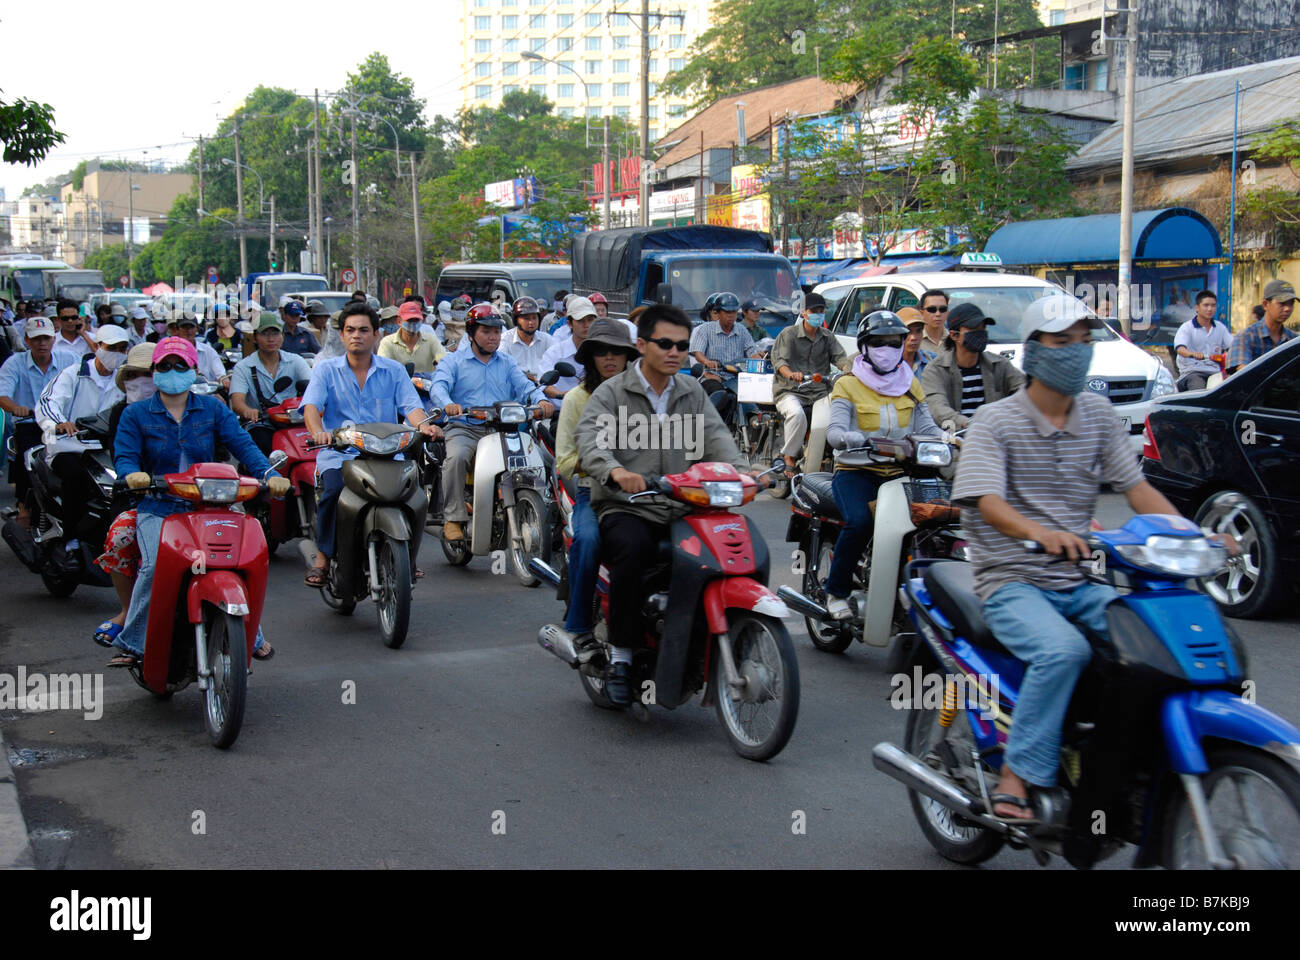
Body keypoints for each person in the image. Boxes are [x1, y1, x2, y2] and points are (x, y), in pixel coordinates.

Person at [949, 293, 1228, 822]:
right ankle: (1017, 775)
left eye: (1083, 341)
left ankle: (1122, 762)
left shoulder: (1097, 414)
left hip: (1078, 579)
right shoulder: (996, 420)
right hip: (1011, 579)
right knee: (1063, 653)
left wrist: (1194, 536)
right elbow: (985, 501)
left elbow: (1136, 489)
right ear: (1032, 351)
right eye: (1061, 342)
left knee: (1155, 646)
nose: (1076, 351)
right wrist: (1041, 533)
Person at [574, 304, 757, 704]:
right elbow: (589, 443)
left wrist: (744, 474)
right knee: (634, 550)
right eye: (665, 344)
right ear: (641, 345)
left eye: (682, 346)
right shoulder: (612, 392)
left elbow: (718, 438)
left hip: (684, 506)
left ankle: (700, 650)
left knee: (729, 551)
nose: (674, 352)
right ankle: (621, 656)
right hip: (629, 505)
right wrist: (615, 471)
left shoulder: (692, 391)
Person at [108, 337, 289, 667]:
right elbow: (125, 457)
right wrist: (132, 474)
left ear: (194, 370)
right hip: (158, 504)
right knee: (152, 568)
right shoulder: (134, 414)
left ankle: (253, 635)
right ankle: (133, 642)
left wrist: (268, 473)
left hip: (211, 504)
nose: (173, 371)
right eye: (165, 366)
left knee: (243, 560)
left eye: (181, 365)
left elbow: (242, 444)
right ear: (154, 371)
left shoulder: (213, 408)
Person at [302, 303, 442, 585]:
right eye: (350, 330)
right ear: (341, 335)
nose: (357, 336)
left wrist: (425, 426)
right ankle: (323, 557)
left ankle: (409, 558)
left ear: (376, 335)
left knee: (414, 495)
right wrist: (319, 432)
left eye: (364, 330)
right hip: (341, 455)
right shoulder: (326, 370)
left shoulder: (393, 371)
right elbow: (311, 408)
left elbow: (411, 407)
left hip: (387, 455)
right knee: (332, 493)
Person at [821, 310, 943, 621]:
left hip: (900, 473)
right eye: (879, 343)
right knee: (860, 521)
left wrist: (950, 438)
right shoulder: (847, 384)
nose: (887, 349)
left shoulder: (910, 383)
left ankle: (905, 582)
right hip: (857, 471)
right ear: (864, 347)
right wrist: (851, 437)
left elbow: (928, 427)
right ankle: (836, 592)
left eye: (894, 342)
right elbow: (834, 431)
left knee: (930, 524)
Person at [539, 320, 640, 660]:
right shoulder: (576, 399)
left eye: (617, 352)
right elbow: (565, 461)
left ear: (629, 356)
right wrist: (606, 466)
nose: (610, 358)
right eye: (602, 352)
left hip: (647, 493)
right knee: (589, 540)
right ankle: (580, 626)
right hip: (593, 494)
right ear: (590, 358)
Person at [428, 307, 553, 543]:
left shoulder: (507, 362)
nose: (493, 337)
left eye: (496, 331)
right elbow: (438, 386)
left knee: (533, 460)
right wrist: (448, 404)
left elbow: (525, 387)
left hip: (503, 430)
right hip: (465, 428)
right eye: (486, 331)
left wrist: (541, 400)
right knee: (456, 458)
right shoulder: (454, 361)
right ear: (472, 333)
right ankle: (453, 518)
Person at [90, 342, 158, 648]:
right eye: (136, 374)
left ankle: (249, 629)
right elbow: (123, 455)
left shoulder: (202, 406)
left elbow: (227, 448)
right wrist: (135, 474)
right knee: (120, 536)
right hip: (141, 494)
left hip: (194, 493)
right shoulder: (124, 413)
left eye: (150, 373)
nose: (143, 380)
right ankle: (129, 611)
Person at [0, 317, 75, 524]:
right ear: (26, 340)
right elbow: (3, 394)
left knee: (77, 460)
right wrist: (16, 408)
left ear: (53, 339)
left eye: (45, 338)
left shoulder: (70, 359)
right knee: (28, 459)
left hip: (62, 425)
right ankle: (24, 508)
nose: (41, 343)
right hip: (30, 425)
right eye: (36, 339)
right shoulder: (14, 363)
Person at [770, 291, 850, 475]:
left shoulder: (827, 337)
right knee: (797, 415)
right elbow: (780, 361)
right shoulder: (788, 334)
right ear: (804, 313)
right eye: (814, 310)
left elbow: (841, 359)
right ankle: (789, 456)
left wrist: (850, 370)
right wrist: (791, 374)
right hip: (791, 390)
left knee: (838, 416)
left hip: (820, 392)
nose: (818, 314)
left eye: (821, 310)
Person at [920, 302, 1024, 433]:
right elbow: (938, 409)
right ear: (954, 335)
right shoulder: (936, 370)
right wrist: (970, 425)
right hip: (956, 441)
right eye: (973, 329)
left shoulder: (1000, 364)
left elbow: (1025, 392)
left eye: (983, 329)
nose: (980, 334)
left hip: (997, 436)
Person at [229, 314, 314, 454]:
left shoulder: (296, 361)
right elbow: (237, 402)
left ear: (282, 336)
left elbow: (313, 389)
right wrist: (248, 411)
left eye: (275, 333)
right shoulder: (243, 367)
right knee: (263, 445)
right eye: (265, 334)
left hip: (294, 421)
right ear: (255, 337)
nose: (271, 339)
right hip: (262, 423)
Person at [37, 325, 129, 437]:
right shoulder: (73, 374)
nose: (117, 353)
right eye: (111, 348)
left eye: (122, 349)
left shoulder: (125, 380)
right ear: (96, 346)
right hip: (72, 440)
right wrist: (60, 423)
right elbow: (48, 402)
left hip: (106, 443)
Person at [689, 291, 762, 429]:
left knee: (758, 402)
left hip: (738, 379)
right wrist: (707, 362)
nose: (731, 316)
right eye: (727, 312)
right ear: (718, 313)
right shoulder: (705, 330)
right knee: (718, 393)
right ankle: (707, 427)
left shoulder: (742, 331)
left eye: (734, 312)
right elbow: (697, 353)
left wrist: (762, 364)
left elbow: (753, 354)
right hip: (713, 376)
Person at [1226, 278, 1296, 375]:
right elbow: (1243, 375)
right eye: (1282, 303)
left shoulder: (1293, 340)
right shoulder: (1246, 337)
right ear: (1265, 304)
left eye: (1291, 303)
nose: (1288, 308)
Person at [540, 296, 597, 406]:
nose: (587, 325)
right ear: (569, 323)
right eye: (581, 321)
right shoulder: (555, 353)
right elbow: (545, 385)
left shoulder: (601, 352)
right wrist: (562, 395)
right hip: (562, 412)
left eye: (590, 320)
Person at [1173, 289, 1233, 390]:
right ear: (1197, 307)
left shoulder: (1220, 327)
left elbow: (1232, 346)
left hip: (1215, 372)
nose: (1210, 309)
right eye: (1206, 305)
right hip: (1192, 372)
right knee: (1198, 389)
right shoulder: (1187, 327)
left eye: (1213, 305)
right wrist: (1193, 354)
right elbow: (1180, 349)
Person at [378, 301, 447, 372]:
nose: (413, 325)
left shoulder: (431, 339)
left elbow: (444, 362)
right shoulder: (387, 342)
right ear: (399, 321)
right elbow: (383, 368)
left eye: (416, 321)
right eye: (409, 321)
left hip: (427, 382)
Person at [166, 312, 228, 386]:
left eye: (191, 327)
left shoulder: (208, 351)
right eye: (184, 327)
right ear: (178, 329)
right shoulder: (170, 351)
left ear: (197, 329)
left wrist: (225, 381)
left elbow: (220, 374)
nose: (188, 331)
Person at [502, 296, 554, 382]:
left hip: (543, 387)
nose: (531, 322)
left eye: (534, 318)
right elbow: (502, 369)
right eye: (526, 319)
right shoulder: (505, 340)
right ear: (516, 320)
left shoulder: (547, 339)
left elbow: (555, 363)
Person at [917, 289, 949, 364]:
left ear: (947, 312)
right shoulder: (914, 340)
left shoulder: (955, 339)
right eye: (932, 309)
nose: (938, 314)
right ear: (921, 313)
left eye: (942, 309)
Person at [898, 307, 929, 374]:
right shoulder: (888, 364)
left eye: (918, 331)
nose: (914, 337)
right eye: (908, 332)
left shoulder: (932, 360)